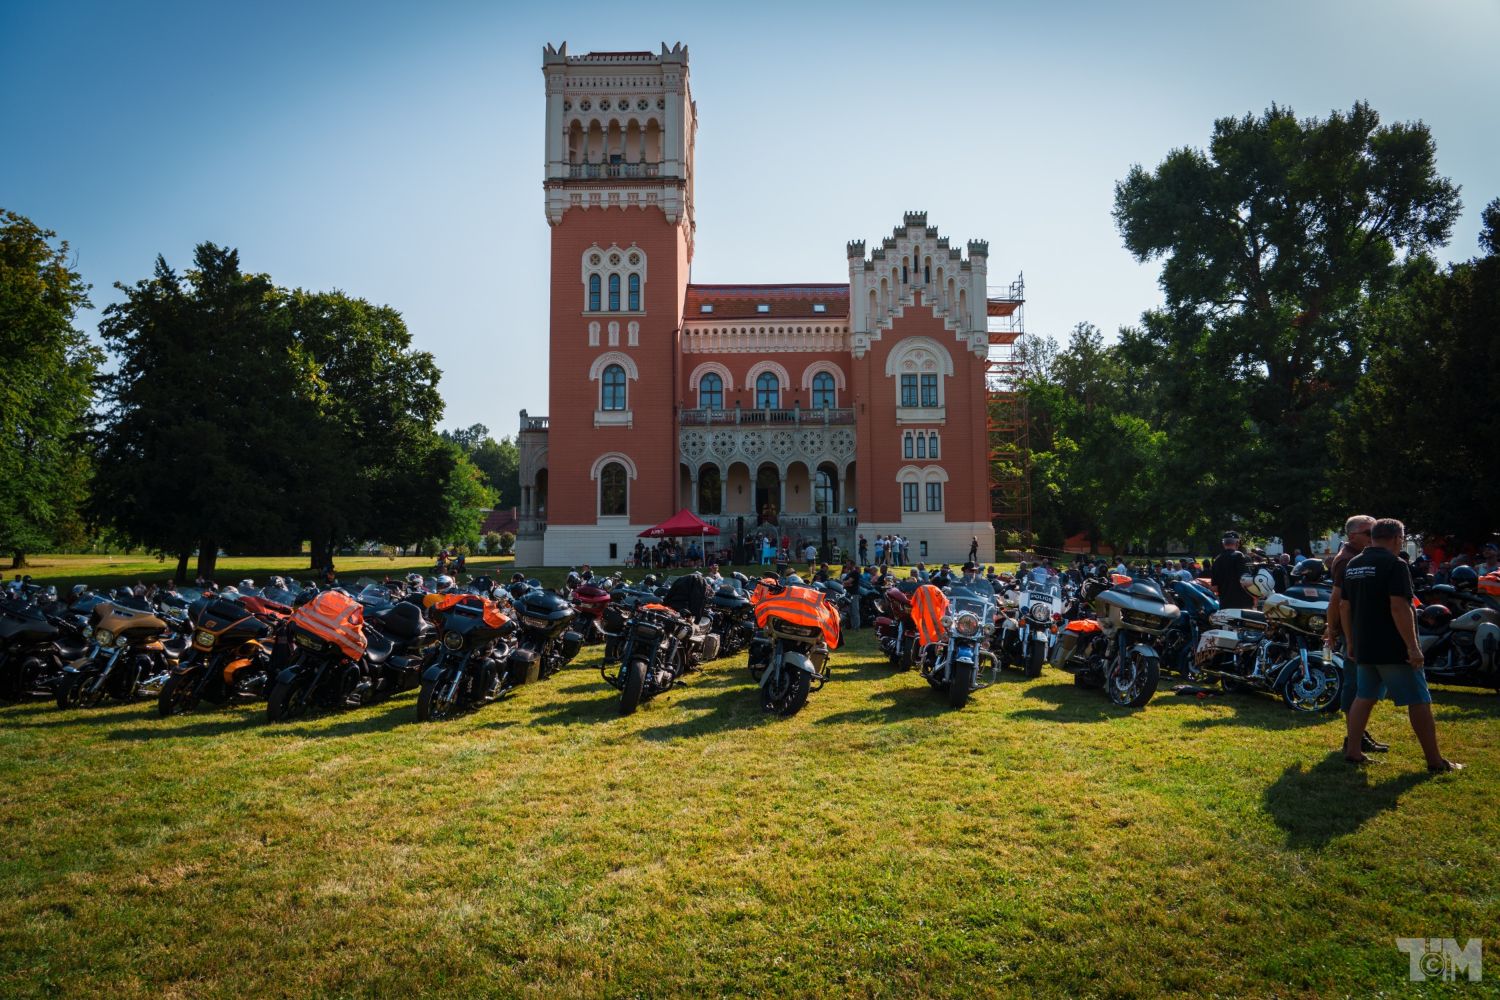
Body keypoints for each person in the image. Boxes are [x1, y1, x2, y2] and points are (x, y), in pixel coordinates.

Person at [1342, 518, 1462, 772]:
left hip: (1364, 643)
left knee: (1364, 696)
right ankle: (1435, 761)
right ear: (1397, 538)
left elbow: (1345, 606)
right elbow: (1399, 606)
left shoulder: (1354, 564)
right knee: (1419, 699)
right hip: (1393, 645)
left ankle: (1353, 751)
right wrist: (1413, 647)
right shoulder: (1395, 564)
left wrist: (1351, 641)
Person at [1325, 514, 1386, 754]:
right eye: (1369, 533)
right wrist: (1334, 630)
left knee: (1361, 685)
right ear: (1352, 536)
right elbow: (1337, 600)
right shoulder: (1347, 560)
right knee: (1355, 685)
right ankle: (1354, 738)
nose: (1375, 537)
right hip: (1353, 631)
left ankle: (1358, 735)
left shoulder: (1354, 557)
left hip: (1355, 630)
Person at [1210, 531, 1254, 609]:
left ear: (1223, 543)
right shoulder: (1243, 557)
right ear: (1237, 543)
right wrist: (1255, 597)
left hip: (1225, 605)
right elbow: (1247, 582)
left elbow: (1215, 588)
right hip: (1244, 604)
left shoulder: (1216, 560)